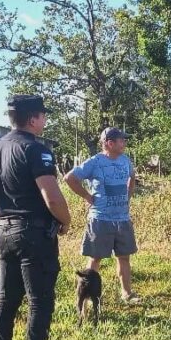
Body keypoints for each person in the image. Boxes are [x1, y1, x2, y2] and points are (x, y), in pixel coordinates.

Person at [0, 94, 71, 340]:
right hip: (33, 235)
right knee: (39, 300)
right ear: (33, 118)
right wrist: (65, 221)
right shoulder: (36, 150)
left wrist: (6, 216)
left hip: (3, 231)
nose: (45, 120)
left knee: (7, 298)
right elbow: (52, 197)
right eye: (43, 115)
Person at [63, 127, 141, 305]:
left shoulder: (125, 161)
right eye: (121, 140)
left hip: (122, 218)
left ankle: (127, 294)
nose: (124, 143)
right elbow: (69, 178)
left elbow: (132, 177)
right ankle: (89, 296)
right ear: (109, 143)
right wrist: (87, 196)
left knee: (124, 257)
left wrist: (128, 197)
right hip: (100, 219)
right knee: (95, 258)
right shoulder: (95, 162)